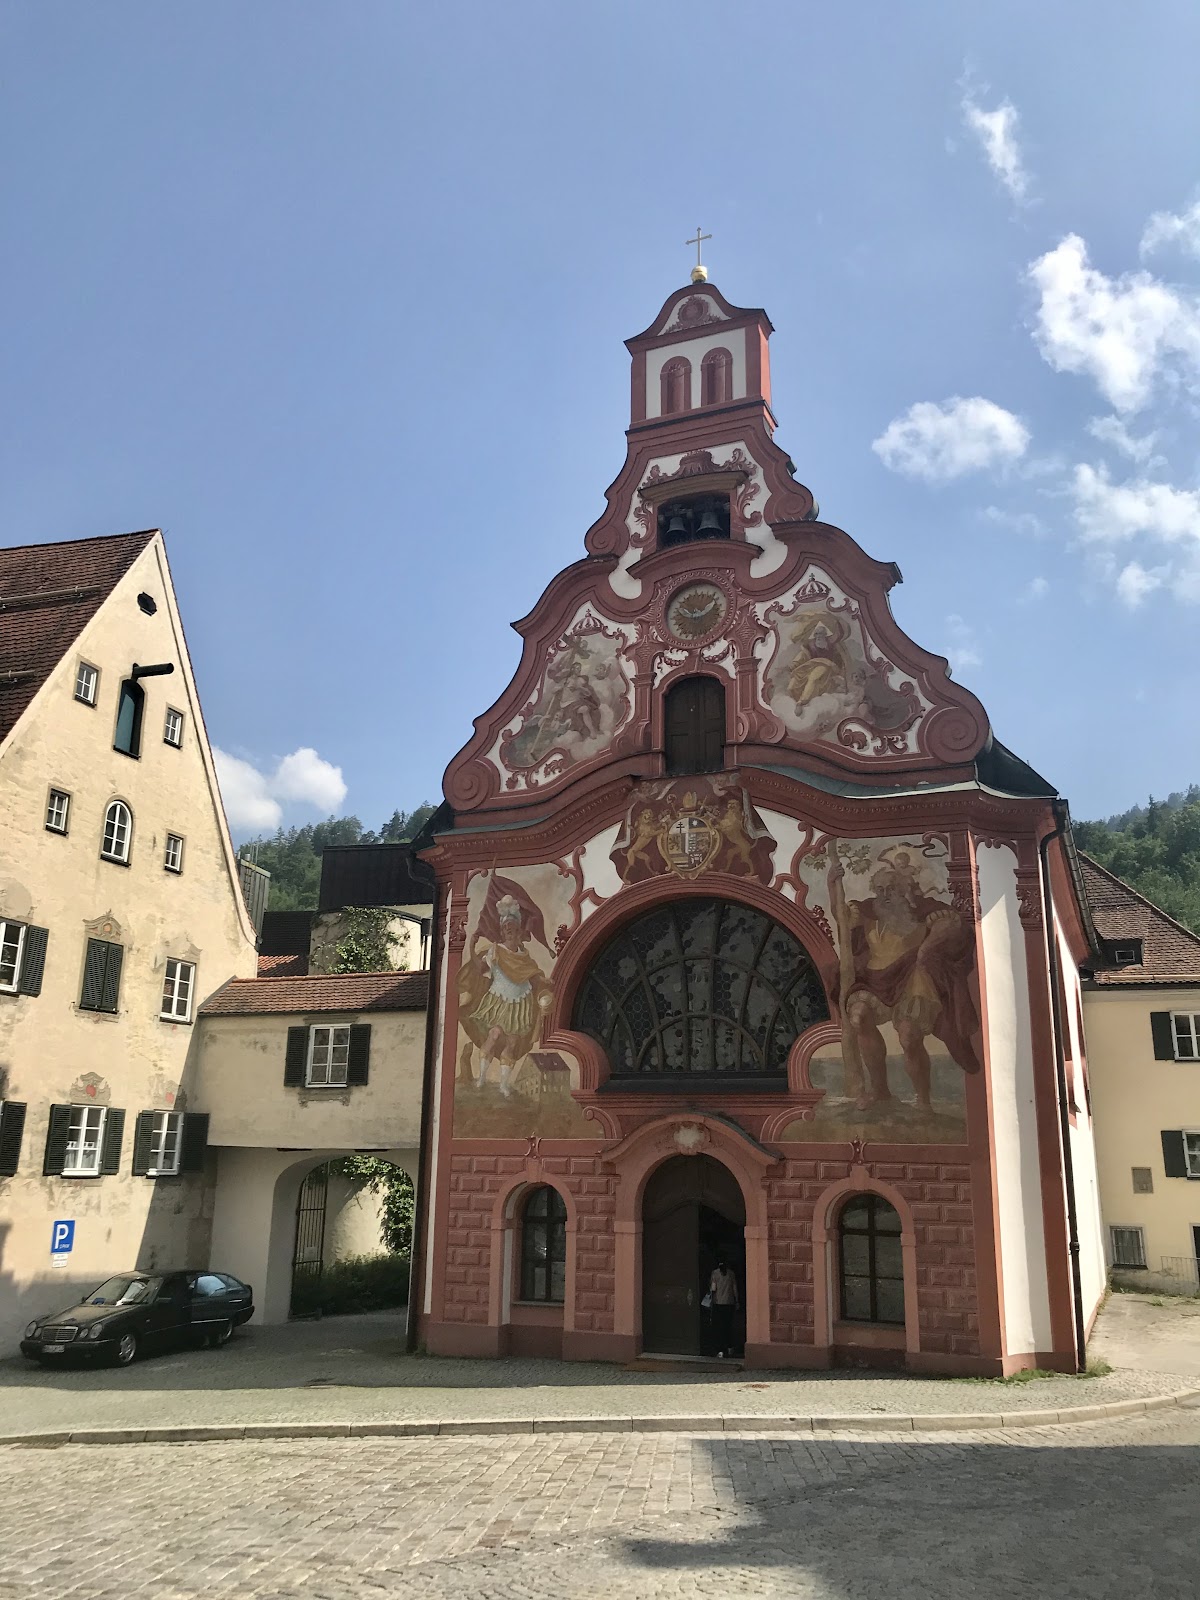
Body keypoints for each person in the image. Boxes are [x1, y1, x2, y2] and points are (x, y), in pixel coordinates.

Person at [708, 1260, 740, 1358]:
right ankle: (730, 1347)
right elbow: (735, 1288)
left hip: (718, 1303)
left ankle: (720, 1350)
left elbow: (713, 1289)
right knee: (728, 1326)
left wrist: (710, 1300)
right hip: (729, 1303)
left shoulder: (715, 1273)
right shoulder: (731, 1274)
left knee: (718, 1327)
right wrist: (737, 1301)